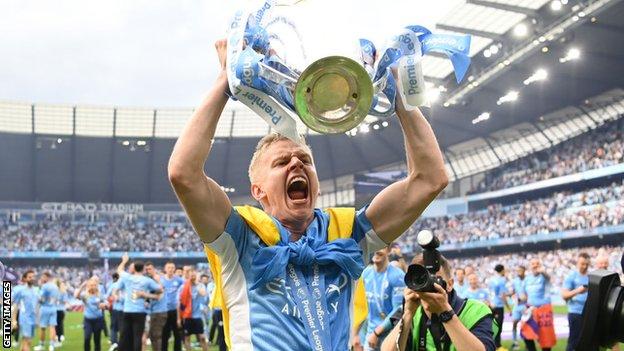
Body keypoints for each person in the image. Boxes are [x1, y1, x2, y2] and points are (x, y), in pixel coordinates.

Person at [167, 36, 448, 350]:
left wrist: (396, 92)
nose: (297, 163)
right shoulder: (240, 237)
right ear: (257, 190)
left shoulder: (347, 233)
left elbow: (430, 179)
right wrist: (224, 81)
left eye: (305, 160)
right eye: (282, 161)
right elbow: (184, 174)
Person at [380, 254, 496, 351]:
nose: (427, 286)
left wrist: (444, 312)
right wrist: (408, 314)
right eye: (421, 280)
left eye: (435, 279)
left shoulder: (476, 310)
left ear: (450, 284)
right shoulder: (410, 311)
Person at [359, 248, 406, 351]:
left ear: (388, 249)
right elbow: (360, 307)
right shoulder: (366, 274)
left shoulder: (398, 276)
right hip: (370, 336)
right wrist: (357, 336)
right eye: (375, 246)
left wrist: (376, 333)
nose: (377, 250)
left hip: (391, 335)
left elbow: (399, 310)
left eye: (381, 247)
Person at [115, 254, 163, 351]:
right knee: (138, 336)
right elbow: (160, 290)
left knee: (124, 335)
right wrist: (157, 283)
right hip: (140, 312)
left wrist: (124, 261)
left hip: (127, 310)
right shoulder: (147, 281)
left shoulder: (128, 277)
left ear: (134, 269)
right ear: (143, 269)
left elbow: (119, 270)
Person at [522, 258, 556, 351]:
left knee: (545, 337)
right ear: (530, 266)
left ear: (540, 265)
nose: (535, 265)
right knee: (526, 332)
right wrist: (523, 303)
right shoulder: (527, 279)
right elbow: (524, 295)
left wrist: (543, 271)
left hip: (544, 309)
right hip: (531, 310)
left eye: (537, 263)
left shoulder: (544, 276)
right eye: (533, 263)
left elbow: (549, 277)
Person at [561, 252, 589, 351]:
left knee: (587, 342)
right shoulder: (571, 276)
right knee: (574, 341)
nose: (585, 266)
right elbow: (564, 295)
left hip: (588, 313)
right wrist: (578, 291)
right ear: (577, 263)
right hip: (575, 313)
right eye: (582, 264)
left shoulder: (591, 277)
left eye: (587, 264)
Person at [179, 268, 209, 351]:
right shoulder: (183, 287)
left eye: (194, 274)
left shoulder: (200, 285)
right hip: (187, 316)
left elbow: (204, 294)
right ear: (188, 276)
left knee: (202, 337)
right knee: (187, 338)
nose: (192, 276)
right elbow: (180, 303)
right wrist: (179, 318)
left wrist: (196, 285)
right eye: (190, 274)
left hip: (197, 315)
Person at [76, 278, 109, 351]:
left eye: (94, 285)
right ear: (88, 286)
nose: (93, 286)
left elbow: (107, 305)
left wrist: (105, 305)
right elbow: (76, 296)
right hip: (88, 321)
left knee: (97, 341)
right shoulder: (85, 295)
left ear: (96, 286)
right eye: (91, 285)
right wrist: (82, 286)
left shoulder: (100, 295)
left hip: (98, 320)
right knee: (87, 338)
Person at [12, 270, 38, 351]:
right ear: (25, 279)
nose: (32, 278)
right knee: (27, 340)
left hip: (33, 319)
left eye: (33, 277)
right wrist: (13, 320)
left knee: (26, 342)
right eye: (30, 277)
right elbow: (15, 306)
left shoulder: (36, 290)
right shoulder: (20, 290)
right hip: (24, 319)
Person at [161, 261, 185, 351]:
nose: (170, 269)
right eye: (169, 267)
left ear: (174, 269)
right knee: (165, 334)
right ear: (165, 269)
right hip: (164, 310)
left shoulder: (179, 280)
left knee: (177, 334)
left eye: (172, 267)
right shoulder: (161, 280)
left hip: (176, 310)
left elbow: (185, 289)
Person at [145, 262, 168, 351]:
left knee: (156, 335)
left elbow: (160, 293)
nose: (148, 271)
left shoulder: (159, 279)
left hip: (160, 311)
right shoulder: (150, 280)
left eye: (150, 269)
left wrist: (145, 295)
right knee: (153, 335)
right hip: (153, 311)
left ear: (154, 269)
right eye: (146, 269)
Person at [35, 271, 59, 351]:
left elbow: (40, 299)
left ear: (46, 277)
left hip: (45, 308)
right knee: (52, 327)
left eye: (43, 277)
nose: (41, 278)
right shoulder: (55, 286)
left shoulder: (45, 286)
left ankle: (41, 345)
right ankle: (51, 346)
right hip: (53, 308)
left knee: (42, 327)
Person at [488, 264, 509, 350]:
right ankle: (498, 346)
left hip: (491, 304)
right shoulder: (502, 280)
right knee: (499, 326)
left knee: (492, 325)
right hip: (499, 305)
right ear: (502, 270)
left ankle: (491, 343)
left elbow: (490, 292)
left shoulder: (491, 279)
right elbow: (502, 295)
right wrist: (508, 307)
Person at [510, 266, 527, 351]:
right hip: (517, 306)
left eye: (520, 270)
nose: (518, 272)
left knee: (526, 325)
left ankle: (528, 343)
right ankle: (515, 342)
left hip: (526, 306)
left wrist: (525, 298)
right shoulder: (515, 281)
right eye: (517, 270)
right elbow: (512, 292)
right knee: (514, 323)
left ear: (524, 271)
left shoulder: (528, 280)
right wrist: (513, 296)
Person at [107, 272, 124, 351]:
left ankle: (115, 343)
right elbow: (107, 296)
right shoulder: (117, 285)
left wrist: (114, 298)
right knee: (119, 327)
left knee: (115, 327)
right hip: (121, 309)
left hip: (119, 309)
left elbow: (107, 295)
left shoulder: (114, 285)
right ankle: (117, 343)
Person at [55, 279, 69, 345]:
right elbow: (65, 301)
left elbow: (65, 301)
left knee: (58, 324)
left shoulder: (62, 292)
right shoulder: (62, 291)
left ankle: (59, 337)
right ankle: (60, 336)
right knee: (59, 324)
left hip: (59, 309)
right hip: (59, 309)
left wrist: (58, 301)